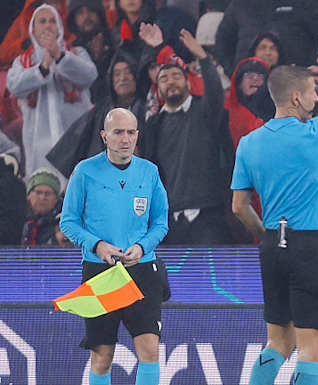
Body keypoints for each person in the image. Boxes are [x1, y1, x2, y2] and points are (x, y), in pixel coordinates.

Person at [230, 19, 318, 385]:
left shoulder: (248, 143)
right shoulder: (313, 134)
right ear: (295, 98)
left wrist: (266, 234)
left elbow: (239, 206)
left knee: (278, 342)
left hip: (272, 247)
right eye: (311, 93)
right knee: (311, 347)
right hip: (308, 245)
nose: (316, 99)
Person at [59, 108, 169, 385]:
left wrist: (142, 247)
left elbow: (161, 223)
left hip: (142, 269)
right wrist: (97, 245)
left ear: (137, 135)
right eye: (118, 132)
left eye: (131, 132)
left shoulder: (149, 172)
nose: (125, 139)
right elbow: (68, 222)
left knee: (149, 349)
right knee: (102, 355)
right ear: (104, 136)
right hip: (101, 272)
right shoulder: (85, 171)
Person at [141, 29, 233, 245]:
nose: (170, 81)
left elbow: (215, 93)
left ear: (189, 84)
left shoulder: (205, 111)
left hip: (208, 214)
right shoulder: (153, 126)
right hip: (170, 221)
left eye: (176, 76)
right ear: (158, 90)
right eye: (164, 78)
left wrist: (203, 58)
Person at [6, 4, 97, 180]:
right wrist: (42, 69)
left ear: (60, 27)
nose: (48, 25)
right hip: (39, 145)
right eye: (42, 21)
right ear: (33, 30)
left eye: (52, 21)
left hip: (76, 139)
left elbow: (90, 75)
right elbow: (14, 86)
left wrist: (60, 56)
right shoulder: (22, 62)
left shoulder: (77, 53)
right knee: (44, 187)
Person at [225, 56, 273, 147]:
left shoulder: (275, 111)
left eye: (261, 76)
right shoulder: (225, 109)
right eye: (249, 75)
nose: (255, 78)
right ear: (239, 83)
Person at [20, 168, 62, 246]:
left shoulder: (61, 226)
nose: (43, 197)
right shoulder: (16, 221)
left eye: (48, 194)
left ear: (56, 199)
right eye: (38, 192)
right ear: (29, 196)